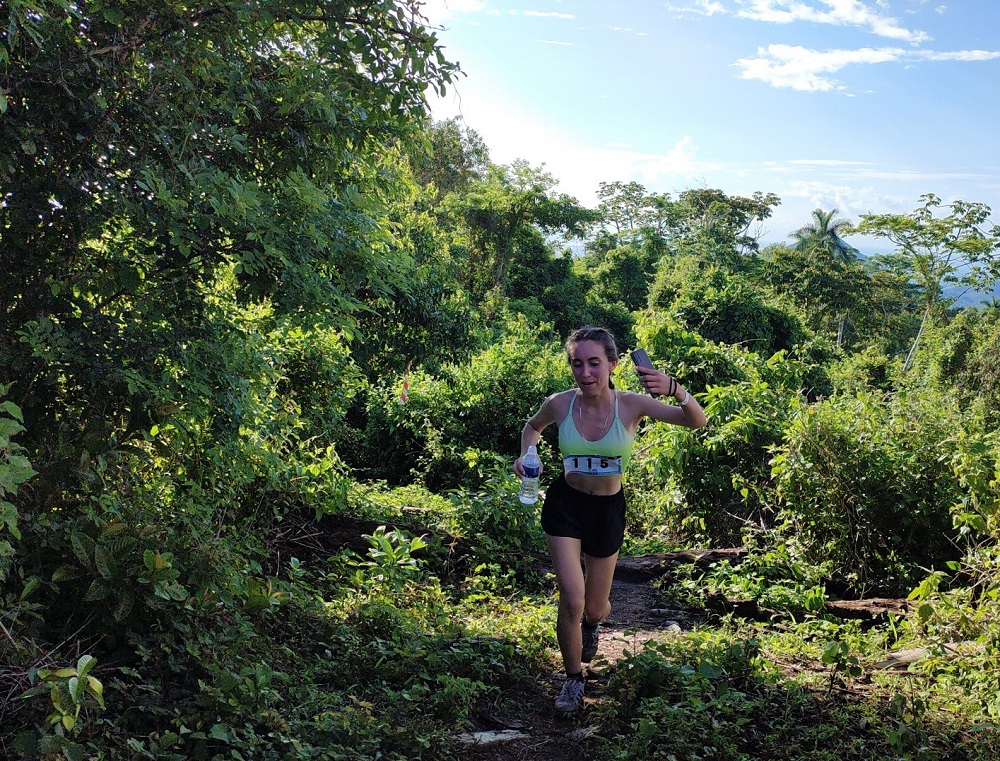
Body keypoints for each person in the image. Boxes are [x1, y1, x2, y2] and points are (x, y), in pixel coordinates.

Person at [513, 326, 707, 714]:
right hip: (565, 505)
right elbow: (532, 428)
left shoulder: (632, 405)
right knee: (572, 598)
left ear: (612, 364)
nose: (585, 372)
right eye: (577, 363)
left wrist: (674, 388)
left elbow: (696, 421)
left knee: (594, 606)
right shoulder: (560, 403)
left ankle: (593, 624)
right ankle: (573, 679)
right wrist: (526, 454)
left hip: (607, 511)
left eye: (594, 363)